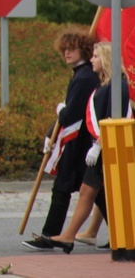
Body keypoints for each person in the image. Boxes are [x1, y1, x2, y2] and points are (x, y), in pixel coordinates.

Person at [43, 41, 131, 253]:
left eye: (96, 57)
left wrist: (99, 146)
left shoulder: (117, 85)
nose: (91, 60)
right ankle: (68, 236)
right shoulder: (105, 84)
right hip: (100, 147)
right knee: (87, 192)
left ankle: (70, 236)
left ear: (106, 59)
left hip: (108, 147)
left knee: (96, 193)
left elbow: (113, 117)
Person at [22, 30, 99, 250]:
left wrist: (61, 112)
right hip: (80, 142)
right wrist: (51, 133)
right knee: (94, 191)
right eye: (64, 49)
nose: (66, 53)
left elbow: (70, 115)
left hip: (80, 143)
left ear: (82, 50)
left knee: (67, 188)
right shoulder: (81, 74)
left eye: (71, 49)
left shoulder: (84, 77)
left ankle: (50, 235)